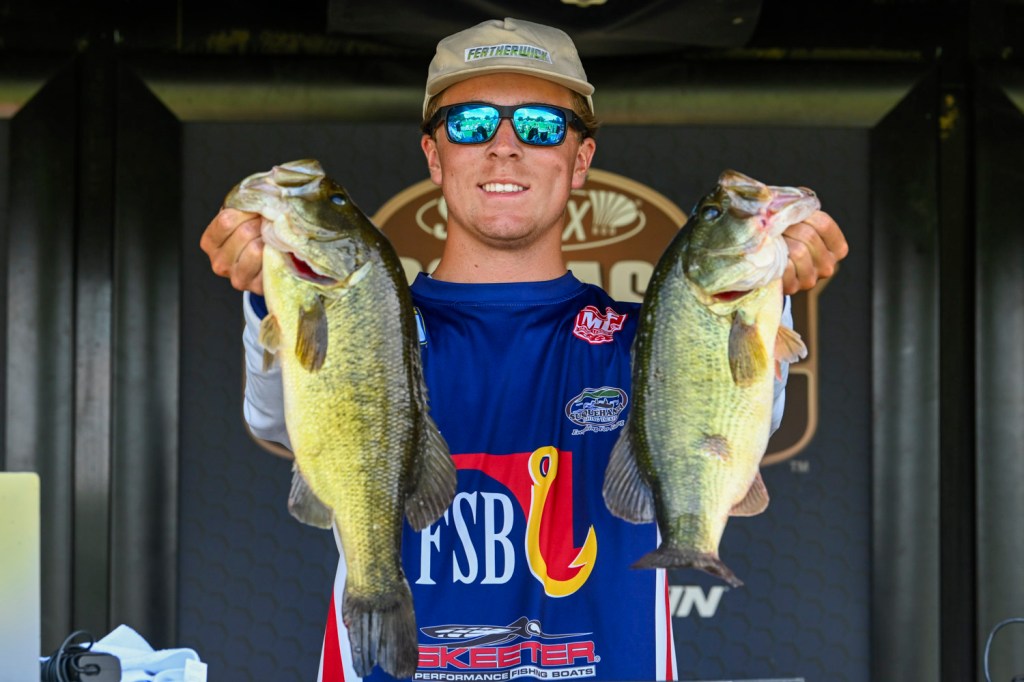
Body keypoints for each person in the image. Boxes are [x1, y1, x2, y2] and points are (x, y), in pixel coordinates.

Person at [199, 17, 849, 682]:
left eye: (539, 125)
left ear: (580, 159)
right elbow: (272, 416)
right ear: (434, 155)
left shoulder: (648, 337)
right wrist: (271, 293)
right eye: (471, 122)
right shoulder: (371, 323)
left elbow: (744, 423)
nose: (504, 146)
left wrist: (771, 287)